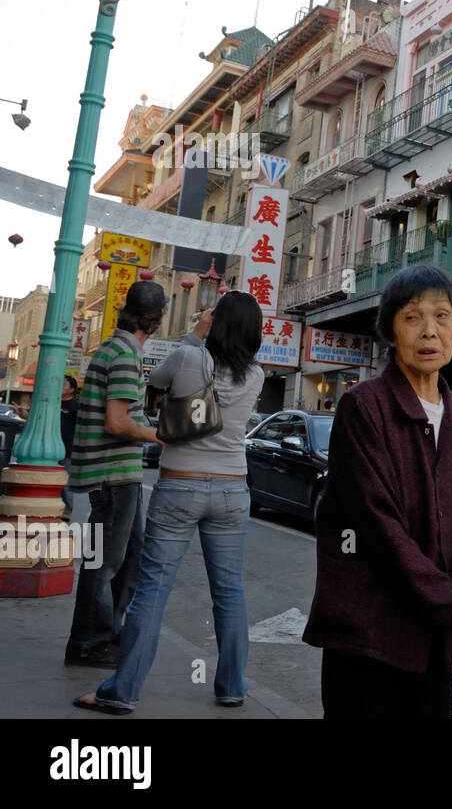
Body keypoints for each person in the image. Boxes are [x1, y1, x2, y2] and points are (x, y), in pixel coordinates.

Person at [303, 265, 452, 719]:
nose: (428, 331)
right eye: (411, 317)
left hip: (432, 642)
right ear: (390, 331)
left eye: (442, 317)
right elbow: (379, 530)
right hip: (368, 635)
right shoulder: (364, 407)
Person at [74, 293, 266, 714]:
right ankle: (231, 686)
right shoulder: (257, 376)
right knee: (230, 591)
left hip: (180, 484)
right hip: (234, 488)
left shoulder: (186, 357)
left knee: (153, 590)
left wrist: (195, 337)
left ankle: (123, 692)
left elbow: (156, 382)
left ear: (215, 321)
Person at [64, 282, 166, 668]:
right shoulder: (124, 354)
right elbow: (117, 422)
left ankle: (110, 633)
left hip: (117, 474)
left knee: (129, 558)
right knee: (104, 562)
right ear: (155, 320)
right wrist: (159, 436)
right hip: (113, 476)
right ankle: (89, 642)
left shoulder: (112, 347)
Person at [59, 375, 80, 521]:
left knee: (65, 482)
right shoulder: (53, 403)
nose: (60, 386)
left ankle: (67, 510)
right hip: (49, 447)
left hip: (67, 449)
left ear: (72, 389)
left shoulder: (75, 406)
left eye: (64, 384)